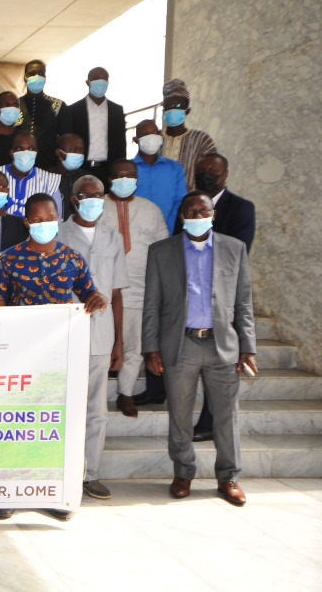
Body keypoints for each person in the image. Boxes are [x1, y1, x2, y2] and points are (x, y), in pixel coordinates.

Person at [0, 192, 108, 522]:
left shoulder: (73, 258)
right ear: (27, 222)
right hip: (20, 358)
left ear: (58, 218)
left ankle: (50, 493)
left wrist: (96, 298)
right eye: (37, 220)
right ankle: (7, 492)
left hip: (59, 358)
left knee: (50, 427)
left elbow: (88, 292)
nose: (44, 224)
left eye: (49, 218)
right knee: (14, 425)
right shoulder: (9, 259)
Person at [142, 191, 255, 507]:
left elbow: (244, 302)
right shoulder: (161, 252)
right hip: (182, 344)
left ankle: (228, 477)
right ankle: (183, 472)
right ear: (181, 217)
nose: (196, 216)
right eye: (189, 212)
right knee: (179, 414)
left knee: (226, 416)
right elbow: (151, 304)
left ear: (213, 214)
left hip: (223, 346)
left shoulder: (234, 249)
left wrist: (248, 348)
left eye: (202, 211)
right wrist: (150, 347)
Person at [57, 176, 128, 500]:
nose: (94, 201)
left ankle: (91, 474)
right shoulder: (58, 232)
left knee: (97, 410)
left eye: (99, 196)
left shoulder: (113, 238)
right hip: (64, 333)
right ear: (74, 200)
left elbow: (116, 292)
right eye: (87, 196)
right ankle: (59, 473)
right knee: (62, 406)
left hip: (101, 335)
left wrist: (119, 342)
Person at [183, 153, 256, 442]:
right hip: (192, 298)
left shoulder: (241, 208)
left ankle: (211, 422)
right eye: (202, 170)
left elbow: (240, 250)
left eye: (213, 170)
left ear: (225, 175)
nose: (206, 174)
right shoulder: (190, 204)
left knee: (222, 365)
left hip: (224, 297)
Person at [102, 158, 170, 417]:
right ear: (110, 179)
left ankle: (126, 394)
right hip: (103, 292)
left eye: (129, 176)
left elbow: (163, 249)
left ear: (137, 180)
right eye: (119, 176)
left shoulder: (151, 209)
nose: (124, 181)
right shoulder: (97, 207)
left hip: (140, 290)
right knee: (100, 347)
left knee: (135, 348)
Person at [66, 67, 126, 188]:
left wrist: (119, 168)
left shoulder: (117, 110)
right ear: (87, 82)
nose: (101, 81)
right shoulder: (73, 110)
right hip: (81, 168)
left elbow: (121, 143)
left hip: (108, 169)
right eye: (96, 78)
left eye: (104, 79)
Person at [0, 132, 62, 217]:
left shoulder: (50, 181)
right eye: (20, 148)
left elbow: (57, 218)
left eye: (31, 149)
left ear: (37, 152)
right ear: (11, 152)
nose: (26, 153)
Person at [160, 79, 217, 190]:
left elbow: (212, 175)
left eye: (178, 106)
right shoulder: (155, 139)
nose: (172, 109)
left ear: (187, 110)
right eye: (168, 106)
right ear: (163, 110)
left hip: (191, 204)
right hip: (158, 203)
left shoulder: (202, 140)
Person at [132, 119, 187, 232]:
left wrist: (168, 230)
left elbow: (180, 202)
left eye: (155, 133)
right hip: (135, 234)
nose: (151, 137)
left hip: (168, 233)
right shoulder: (128, 169)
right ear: (136, 140)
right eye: (145, 134)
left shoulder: (174, 168)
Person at [19, 60, 71, 171]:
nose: (37, 76)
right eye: (32, 73)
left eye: (40, 73)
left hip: (49, 166)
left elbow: (65, 139)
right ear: (25, 77)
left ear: (45, 78)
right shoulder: (15, 105)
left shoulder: (58, 105)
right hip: (18, 166)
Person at [54, 132, 88, 219]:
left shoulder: (87, 178)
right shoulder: (46, 178)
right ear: (58, 153)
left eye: (81, 150)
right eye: (73, 150)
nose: (79, 153)